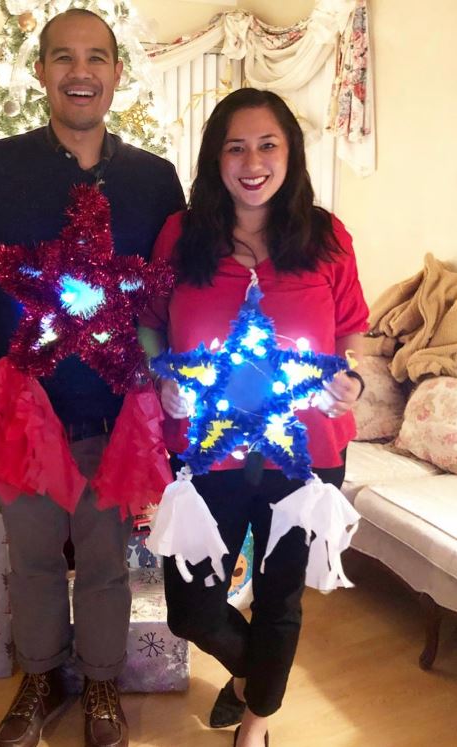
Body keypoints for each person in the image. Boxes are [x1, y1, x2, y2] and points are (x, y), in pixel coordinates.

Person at [0, 10, 184, 747]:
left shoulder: (154, 179)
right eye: (65, 58)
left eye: (97, 58)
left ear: (116, 72)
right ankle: (42, 673)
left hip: (115, 414)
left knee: (108, 562)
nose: (82, 73)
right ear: (41, 70)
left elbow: (173, 295)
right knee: (35, 557)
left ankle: (102, 679)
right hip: (19, 416)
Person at [139, 87, 368, 747]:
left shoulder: (326, 236)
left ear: (291, 152)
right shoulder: (182, 235)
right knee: (192, 608)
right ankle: (252, 680)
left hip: (308, 450)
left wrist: (348, 377)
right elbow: (150, 326)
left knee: (280, 598)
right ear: (216, 157)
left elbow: (351, 332)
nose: (252, 160)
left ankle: (257, 721)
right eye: (235, 145)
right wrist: (162, 378)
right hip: (207, 450)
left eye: (268, 143)